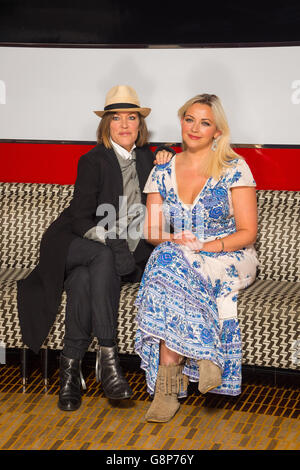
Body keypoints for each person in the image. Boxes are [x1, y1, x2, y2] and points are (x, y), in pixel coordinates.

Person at [17, 85, 173, 411]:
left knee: (85, 281)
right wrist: (111, 240)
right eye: (117, 118)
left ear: (140, 125)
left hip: (110, 257)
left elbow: (189, 152)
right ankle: (108, 358)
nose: (125, 124)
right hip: (73, 242)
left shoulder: (148, 158)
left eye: (132, 117)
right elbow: (80, 217)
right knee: (103, 255)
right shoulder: (93, 160)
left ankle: (69, 373)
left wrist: (169, 151)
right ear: (106, 125)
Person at [135, 93, 259, 423]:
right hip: (185, 254)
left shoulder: (235, 168)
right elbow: (152, 230)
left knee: (170, 263)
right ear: (181, 121)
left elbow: (248, 231)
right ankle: (206, 356)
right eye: (189, 119)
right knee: (166, 255)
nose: (194, 127)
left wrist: (209, 247)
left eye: (204, 122)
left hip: (230, 255)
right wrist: (175, 239)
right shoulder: (162, 170)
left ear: (217, 131)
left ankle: (170, 387)